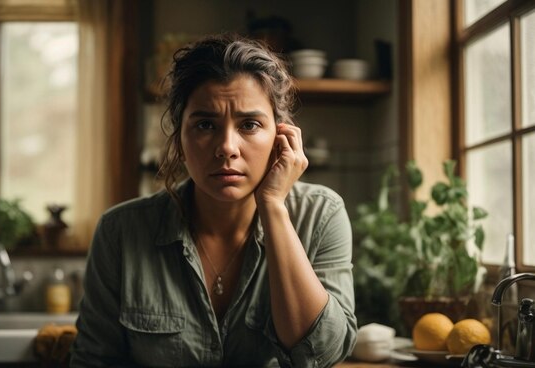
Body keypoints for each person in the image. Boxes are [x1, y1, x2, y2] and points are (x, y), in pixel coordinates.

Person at [70, 33, 357, 367]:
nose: (227, 147)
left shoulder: (321, 215)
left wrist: (274, 207)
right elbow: (93, 360)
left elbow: (322, 354)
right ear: (179, 136)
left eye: (249, 124)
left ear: (280, 136)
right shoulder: (120, 231)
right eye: (206, 124)